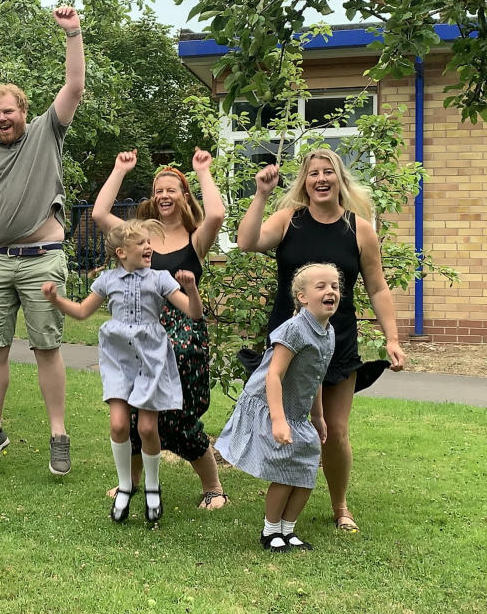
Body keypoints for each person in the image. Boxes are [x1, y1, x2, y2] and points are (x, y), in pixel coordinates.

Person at [237, 150, 407, 533]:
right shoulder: (289, 221)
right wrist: (261, 194)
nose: (320, 178)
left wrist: (392, 338)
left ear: (340, 178)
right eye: (313, 173)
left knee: (335, 428)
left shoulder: (359, 229)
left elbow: (377, 287)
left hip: (336, 341)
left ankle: (339, 504)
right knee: (288, 424)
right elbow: (247, 241)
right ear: (305, 181)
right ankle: (279, 514)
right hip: (290, 341)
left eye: (328, 171)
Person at [0, 6, 85, 475]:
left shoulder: (46, 133)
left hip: (41, 260)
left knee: (46, 347)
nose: (2, 119)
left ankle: (59, 434)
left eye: (8, 111)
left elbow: (73, 85)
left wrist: (72, 33)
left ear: (24, 111)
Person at [92, 148, 229, 508]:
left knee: (178, 414)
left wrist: (202, 170)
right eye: (158, 190)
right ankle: (131, 482)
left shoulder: (195, 238)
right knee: (133, 409)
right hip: (142, 332)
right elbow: (99, 213)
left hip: (184, 330)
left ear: (184, 197)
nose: (164, 195)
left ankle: (213, 486)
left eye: (171, 189)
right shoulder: (137, 236)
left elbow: (216, 212)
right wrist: (120, 169)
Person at [43, 220, 203, 523]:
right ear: (121, 252)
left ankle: (152, 487)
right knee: (118, 425)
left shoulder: (159, 279)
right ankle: (126, 486)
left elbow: (194, 312)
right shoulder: (107, 280)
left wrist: (191, 289)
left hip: (151, 359)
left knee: (146, 428)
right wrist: (55, 300)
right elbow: (81, 311)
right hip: (118, 359)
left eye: (148, 242)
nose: (148, 247)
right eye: (141, 243)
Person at [215, 263, 340, 551]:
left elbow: (317, 376)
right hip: (272, 405)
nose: (330, 291)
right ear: (302, 297)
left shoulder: (328, 333)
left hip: (298, 412)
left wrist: (318, 415)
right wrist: (278, 420)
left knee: (306, 470)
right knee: (284, 471)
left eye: (334, 286)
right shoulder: (294, 330)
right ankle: (271, 531)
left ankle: (288, 529)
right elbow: (273, 374)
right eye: (321, 286)